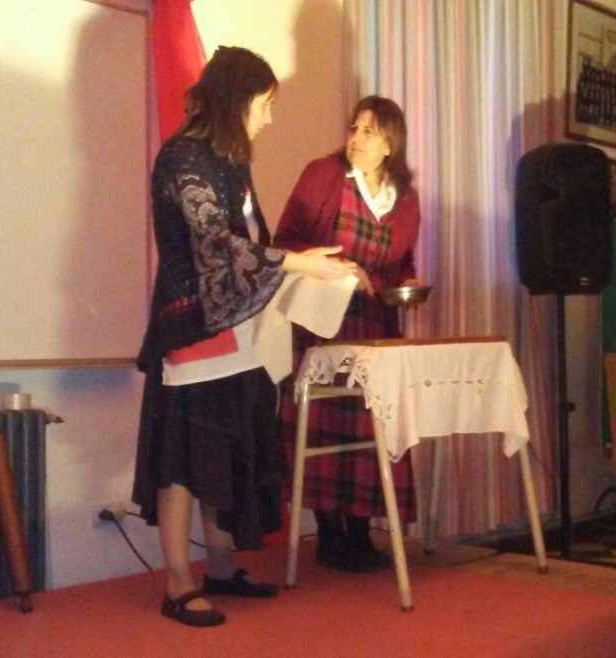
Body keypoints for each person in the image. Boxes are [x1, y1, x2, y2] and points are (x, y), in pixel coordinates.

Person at [131, 46, 356, 628]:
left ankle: (221, 568)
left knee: (225, 451)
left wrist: (306, 266)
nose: (269, 117)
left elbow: (251, 243)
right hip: (193, 325)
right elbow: (215, 242)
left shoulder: (229, 160)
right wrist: (298, 263)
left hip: (241, 329)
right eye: (265, 104)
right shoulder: (183, 156)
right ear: (237, 100)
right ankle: (178, 584)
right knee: (183, 459)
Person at [274, 96, 422, 573]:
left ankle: (359, 534)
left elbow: (400, 264)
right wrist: (341, 267)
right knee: (325, 426)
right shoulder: (323, 175)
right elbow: (285, 242)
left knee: (370, 427)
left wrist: (408, 284)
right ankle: (330, 537)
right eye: (354, 128)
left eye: (368, 131)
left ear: (390, 144)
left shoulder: (405, 200)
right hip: (322, 325)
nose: (355, 138)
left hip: (375, 327)